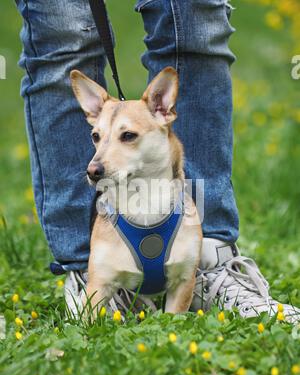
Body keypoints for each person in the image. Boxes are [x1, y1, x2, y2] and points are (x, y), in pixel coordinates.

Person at [15, 0, 299, 321]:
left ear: (164, 109)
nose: (96, 162)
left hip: (177, 202)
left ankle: (209, 261)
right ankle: (88, 270)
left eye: (128, 136)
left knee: (194, 20)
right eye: (98, 136)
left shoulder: (158, 112)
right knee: (63, 34)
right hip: (111, 220)